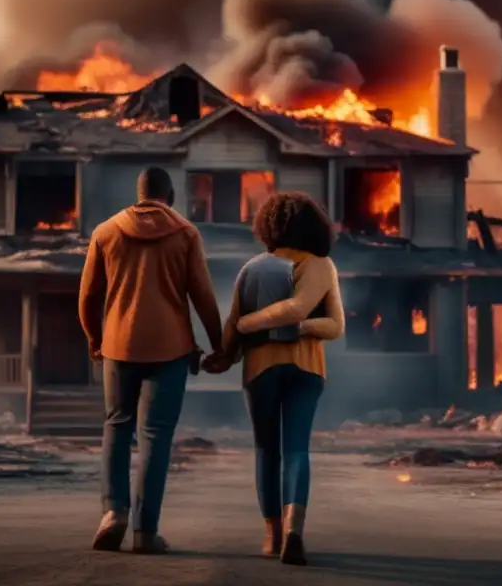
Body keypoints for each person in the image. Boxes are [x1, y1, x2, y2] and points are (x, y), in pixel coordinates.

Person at [79, 166, 225, 555]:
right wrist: (219, 346)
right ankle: (145, 532)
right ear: (170, 195)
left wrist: (96, 338)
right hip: (171, 350)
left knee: (117, 425)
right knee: (156, 438)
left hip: (118, 346)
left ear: (138, 193)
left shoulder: (106, 231)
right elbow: (204, 297)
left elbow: (88, 297)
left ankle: (113, 513)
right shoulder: (186, 234)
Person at [220, 191, 345, 566]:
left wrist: (228, 350)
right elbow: (335, 325)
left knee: (265, 450)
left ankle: (272, 534)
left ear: (268, 226)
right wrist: (304, 329)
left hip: (260, 369)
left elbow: (234, 322)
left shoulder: (254, 267)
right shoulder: (322, 265)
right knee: (296, 448)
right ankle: (295, 529)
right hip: (307, 370)